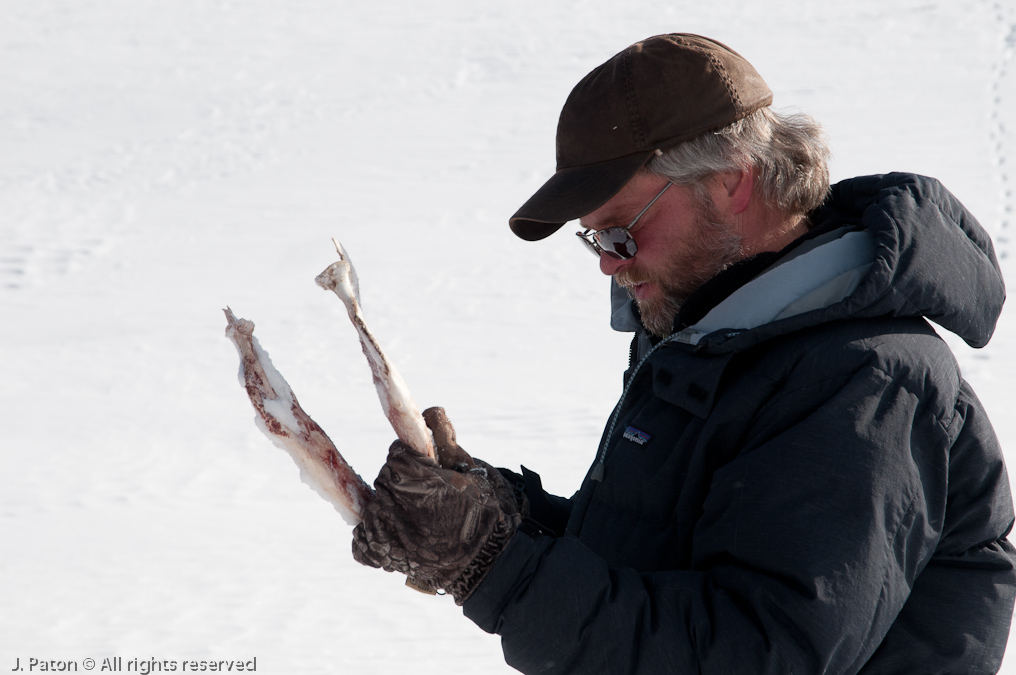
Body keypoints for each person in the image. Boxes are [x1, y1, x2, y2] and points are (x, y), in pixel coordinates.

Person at [352, 33, 1016, 674]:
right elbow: (647, 556)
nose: (609, 264)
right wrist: (500, 513)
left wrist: (491, 561)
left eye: (621, 230)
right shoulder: (715, 340)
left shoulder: (863, 378)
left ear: (733, 180)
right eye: (594, 241)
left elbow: (757, 650)